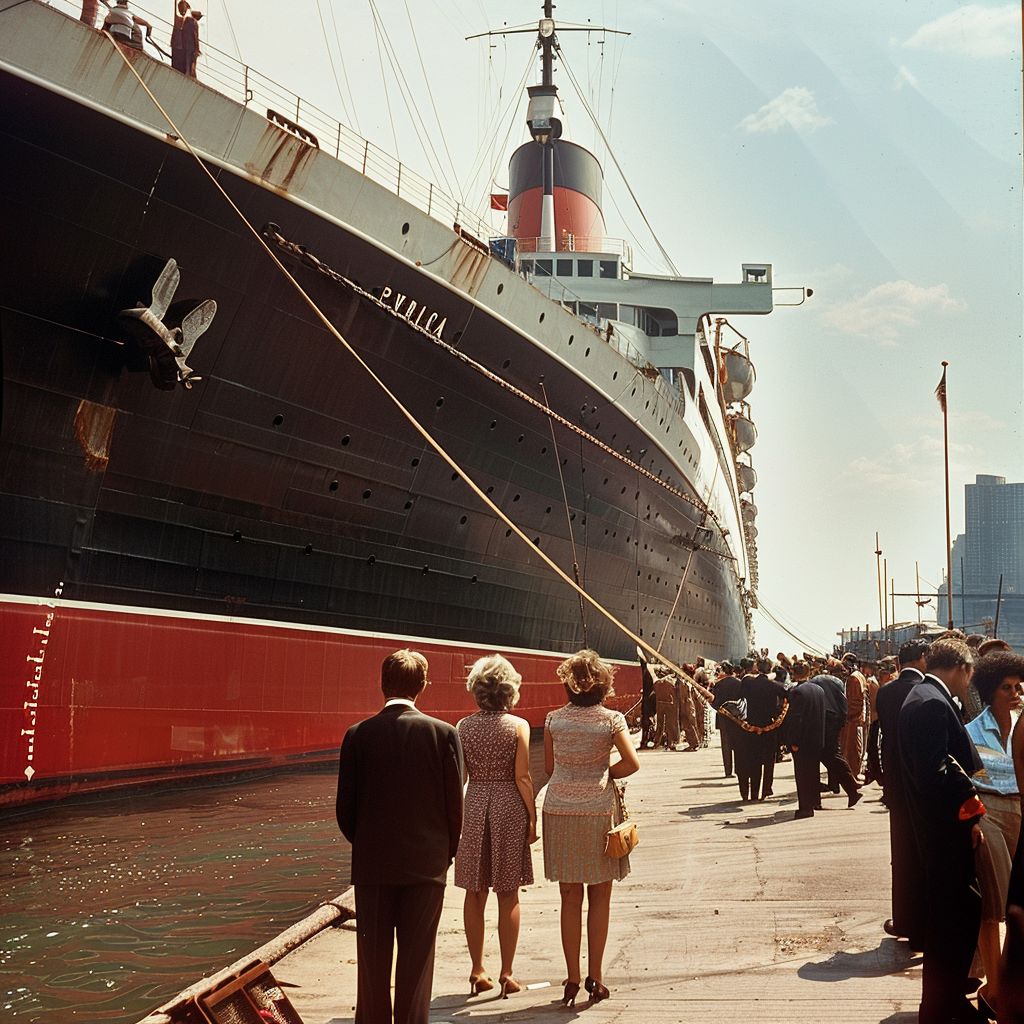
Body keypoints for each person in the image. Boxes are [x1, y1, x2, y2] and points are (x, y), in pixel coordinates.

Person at [336, 650, 464, 1024]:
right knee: (417, 963)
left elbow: (346, 809)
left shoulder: (357, 735)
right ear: (423, 686)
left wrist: (367, 844)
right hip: (427, 865)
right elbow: (454, 805)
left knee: (372, 967)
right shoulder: (444, 734)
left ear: (382, 683)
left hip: (373, 866)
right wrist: (445, 852)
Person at [543, 650, 640, 1006]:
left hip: (558, 809)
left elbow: (551, 767)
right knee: (600, 895)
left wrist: (574, 775)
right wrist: (603, 774)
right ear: (604, 684)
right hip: (597, 811)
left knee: (569, 896)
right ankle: (595, 978)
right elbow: (631, 763)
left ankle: (570, 977)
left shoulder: (553, 720)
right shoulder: (612, 720)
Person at [898, 637, 987, 1024]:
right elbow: (935, 772)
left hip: (932, 827)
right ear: (962, 668)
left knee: (950, 916)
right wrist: (971, 803)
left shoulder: (919, 697)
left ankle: (941, 1002)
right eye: (969, 676)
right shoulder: (933, 704)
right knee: (958, 914)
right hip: (944, 830)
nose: (968, 685)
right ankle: (942, 1004)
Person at [455, 654, 537, 999]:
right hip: (508, 807)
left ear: (476, 690)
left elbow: (461, 776)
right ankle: (506, 973)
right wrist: (532, 818)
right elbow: (522, 777)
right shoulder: (519, 726)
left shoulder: (461, 727)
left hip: (474, 805)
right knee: (508, 892)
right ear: (510, 690)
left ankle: (477, 970)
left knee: (475, 891)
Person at [966, 651, 1024, 1017]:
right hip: (989, 810)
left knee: (1014, 905)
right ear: (991, 691)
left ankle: (996, 984)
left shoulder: (1022, 722)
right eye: (1007, 687)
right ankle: (996, 988)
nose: (1016, 693)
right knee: (995, 902)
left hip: (1019, 809)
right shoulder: (975, 730)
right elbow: (986, 780)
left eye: (1019, 686)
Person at [877, 638, 930, 947]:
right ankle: (927, 924)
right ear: (923, 658)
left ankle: (905, 920)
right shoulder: (928, 691)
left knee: (902, 854)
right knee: (928, 854)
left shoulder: (886, 692)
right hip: (925, 783)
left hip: (896, 784)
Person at [808, 664, 861, 807]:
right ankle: (849, 787)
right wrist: (843, 721)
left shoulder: (814, 681)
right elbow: (843, 703)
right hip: (835, 719)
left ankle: (851, 787)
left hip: (822, 719)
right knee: (833, 753)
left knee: (829, 755)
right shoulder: (837, 683)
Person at [784, 661, 827, 819]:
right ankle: (816, 801)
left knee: (802, 775)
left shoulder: (797, 692)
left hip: (802, 740)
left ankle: (805, 807)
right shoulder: (819, 689)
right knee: (813, 772)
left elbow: (797, 719)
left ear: (794, 673)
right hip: (817, 738)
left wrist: (794, 741)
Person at [739, 658, 787, 801]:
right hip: (769, 726)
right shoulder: (775, 686)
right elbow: (787, 698)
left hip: (752, 726)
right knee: (768, 761)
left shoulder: (748, 684)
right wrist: (779, 716)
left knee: (754, 760)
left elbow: (739, 698)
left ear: (756, 668)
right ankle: (766, 790)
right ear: (770, 669)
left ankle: (754, 791)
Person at [712, 661, 742, 778]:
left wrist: (720, 710)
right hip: (737, 716)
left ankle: (728, 771)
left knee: (726, 745)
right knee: (739, 743)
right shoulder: (739, 683)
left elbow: (714, 701)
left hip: (723, 717)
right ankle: (739, 769)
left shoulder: (718, 685)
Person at [652, 665, 681, 749]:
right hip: (670, 704)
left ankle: (657, 742)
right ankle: (671, 742)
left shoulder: (657, 683)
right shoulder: (671, 682)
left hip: (660, 704)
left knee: (660, 724)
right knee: (671, 724)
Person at [170, 1, 191, 73]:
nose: (183, 11)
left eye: (184, 10)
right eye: (181, 9)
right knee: (176, 65)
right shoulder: (177, 18)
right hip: (177, 45)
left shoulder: (188, 20)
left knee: (183, 67)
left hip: (183, 47)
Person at [183, 10, 202, 78]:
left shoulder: (186, 20)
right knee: (192, 60)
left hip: (185, 43)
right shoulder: (195, 23)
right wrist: (197, 48)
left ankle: (187, 72)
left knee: (186, 58)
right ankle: (190, 74)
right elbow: (195, 36)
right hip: (192, 45)